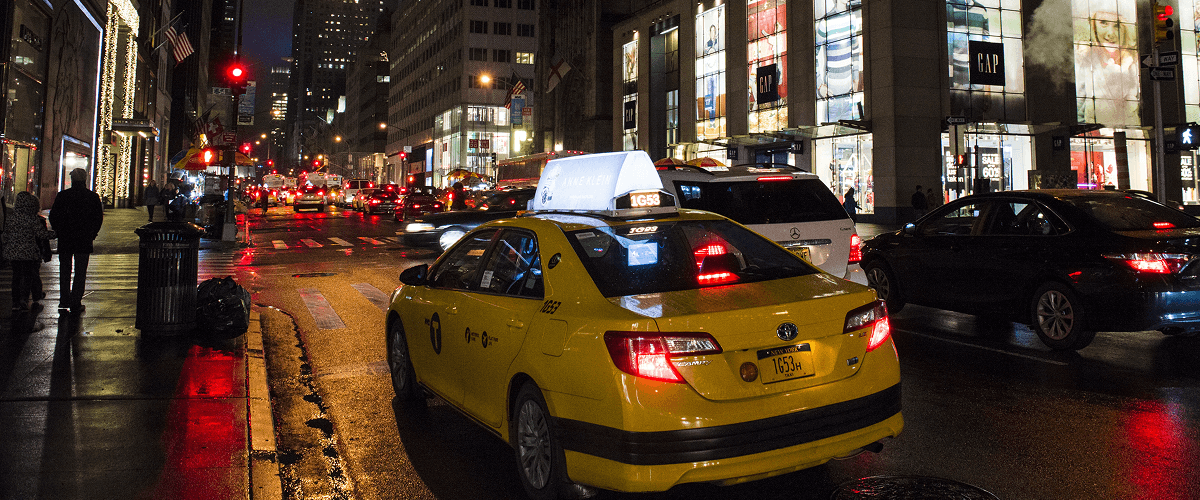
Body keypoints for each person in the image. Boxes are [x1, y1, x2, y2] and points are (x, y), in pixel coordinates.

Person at [49, 168, 103, 313]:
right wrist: (92, 233)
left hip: (65, 238)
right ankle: (76, 301)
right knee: (80, 272)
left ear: (72, 179)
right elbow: (98, 218)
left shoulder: (63, 196)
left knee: (65, 270)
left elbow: (53, 216)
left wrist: (58, 230)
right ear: (85, 179)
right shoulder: (92, 197)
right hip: (83, 239)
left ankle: (64, 299)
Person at [4, 192, 55, 311]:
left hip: (14, 253)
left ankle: (15, 302)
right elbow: (42, 234)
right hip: (28, 253)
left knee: (16, 277)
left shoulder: (11, 218)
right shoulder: (32, 219)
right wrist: (57, 234)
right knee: (27, 277)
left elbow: (6, 236)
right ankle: (24, 299)